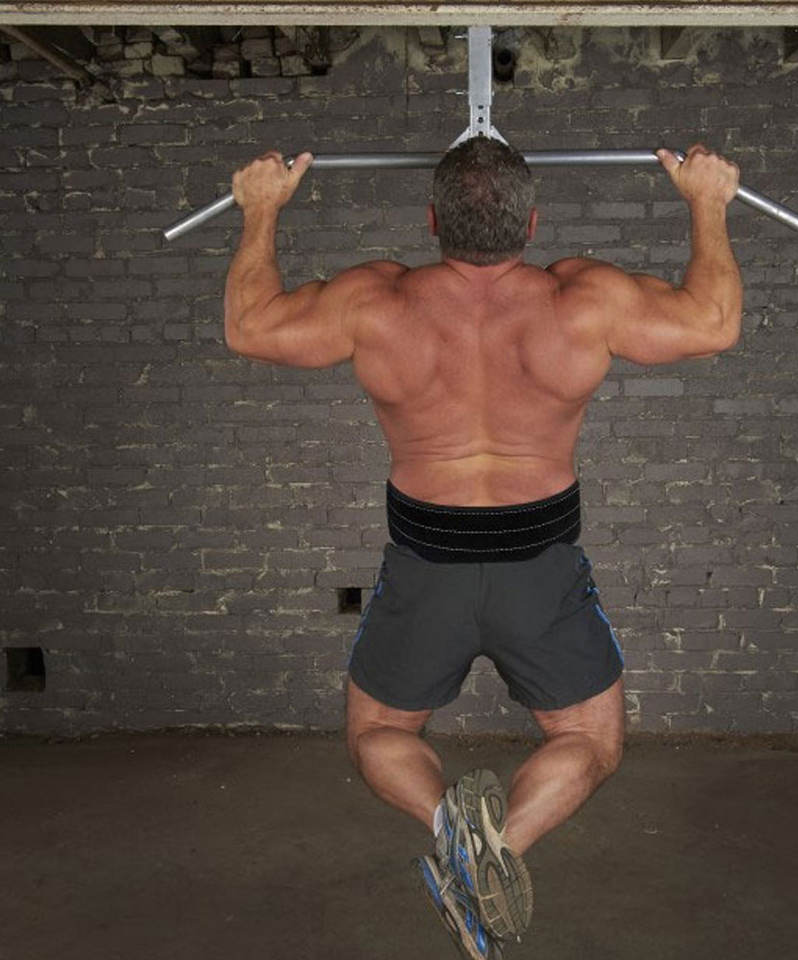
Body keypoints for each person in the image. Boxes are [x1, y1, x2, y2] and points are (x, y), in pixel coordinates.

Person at [225, 136, 741, 959]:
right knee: (590, 739)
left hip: (424, 567)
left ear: (432, 221)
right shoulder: (584, 301)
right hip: (541, 571)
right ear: (531, 223)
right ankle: (492, 850)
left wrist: (260, 210)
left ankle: (452, 829)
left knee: (376, 735)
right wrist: (707, 203)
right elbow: (713, 322)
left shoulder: (375, 302)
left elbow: (250, 326)